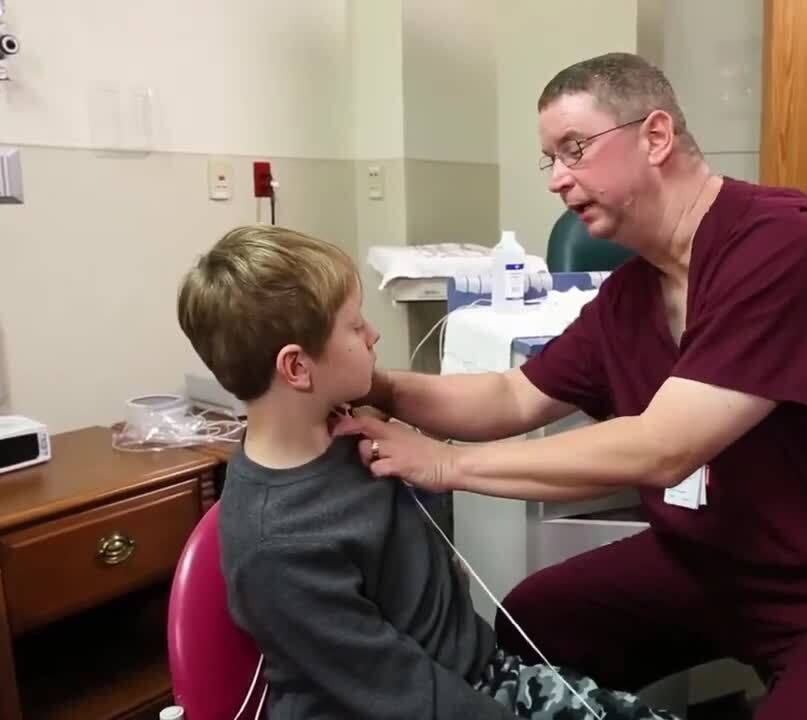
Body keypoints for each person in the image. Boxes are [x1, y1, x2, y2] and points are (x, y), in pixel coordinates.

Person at [336, 52, 807, 720]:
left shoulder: (786, 248)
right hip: (721, 562)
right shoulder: (631, 297)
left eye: (575, 149)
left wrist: (446, 464)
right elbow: (513, 396)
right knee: (538, 623)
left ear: (655, 136)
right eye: (550, 160)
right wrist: (376, 384)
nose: (558, 180)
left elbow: (663, 447)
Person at [175, 224, 680, 720]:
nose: (372, 335)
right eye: (355, 326)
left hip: (477, 678)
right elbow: (401, 694)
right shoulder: (278, 547)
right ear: (297, 368)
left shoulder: (351, 431)